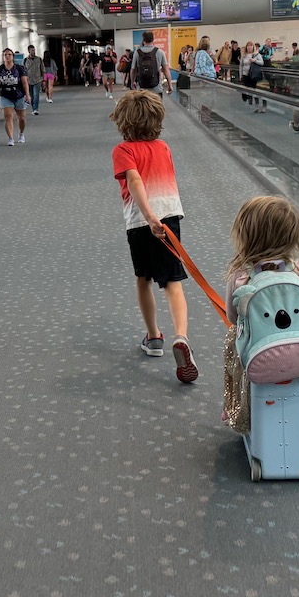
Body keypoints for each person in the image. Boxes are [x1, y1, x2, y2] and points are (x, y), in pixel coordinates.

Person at [220, 195, 299, 441]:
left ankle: (235, 406)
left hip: (258, 355)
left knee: (231, 346)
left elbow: (232, 317)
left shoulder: (241, 275)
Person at [109, 90, 195, 384]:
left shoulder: (123, 150)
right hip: (169, 217)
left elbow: (134, 180)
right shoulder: (164, 147)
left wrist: (148, 217)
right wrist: (159, 218)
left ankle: (154, 336)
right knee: (173, 282)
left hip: (140, 222)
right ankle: (181, 336)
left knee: (143, 278)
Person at [0, 48, 30, 145]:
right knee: (8, 116)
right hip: (5, 94)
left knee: (21, 117)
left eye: (9, 54)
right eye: (5, 55)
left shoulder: (19, 69)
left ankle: (21, 133)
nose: (7, 56)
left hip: (19, 94)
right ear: (3, 57)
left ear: (13, 56)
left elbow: (25, 83)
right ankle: (10, 138)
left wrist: (27, 95)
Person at [127, 29, 171, 98]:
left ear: (143, 39)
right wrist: (170, 85)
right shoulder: (160, 52)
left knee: (143, 108)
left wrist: (132, 83)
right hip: (156, 89)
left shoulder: (137, 53)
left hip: (142, 89)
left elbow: (133, 70)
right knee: (157, 108)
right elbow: (166, 70)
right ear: (153, 39)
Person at [25, 45, 43, 114]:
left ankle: (36, 109)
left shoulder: (39, 59)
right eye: (32, 50)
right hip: (29, 80)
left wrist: (43, 79)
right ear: (29, 51)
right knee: (31, 96)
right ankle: (33, 108)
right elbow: (23, 70)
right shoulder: (25, 60)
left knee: (36, 95)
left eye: (34, 50)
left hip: (37, 80)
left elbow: (42, 69)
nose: (33, 51)